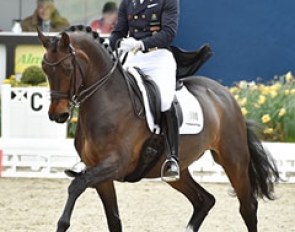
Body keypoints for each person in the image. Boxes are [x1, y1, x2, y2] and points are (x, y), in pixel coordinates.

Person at [109, 0, 180, 182]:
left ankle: (172, 158)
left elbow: (168, 33)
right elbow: (118, 31)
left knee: (165, 100)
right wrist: (117, 43)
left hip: (158, 58)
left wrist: (141, 44)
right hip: (133, 57)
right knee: (110, 93)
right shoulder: (128, 2)